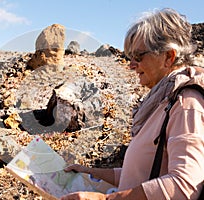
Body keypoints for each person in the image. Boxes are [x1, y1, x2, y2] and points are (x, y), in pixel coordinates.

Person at [61, 8, 204, 200]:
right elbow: (141, 174)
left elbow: (184, 185)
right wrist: (89, 173)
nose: (131, 65)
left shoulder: (185, 103)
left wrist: (104, 199)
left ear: (169, 56)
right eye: (130, 57)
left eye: (138, 56)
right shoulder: (163, 100)